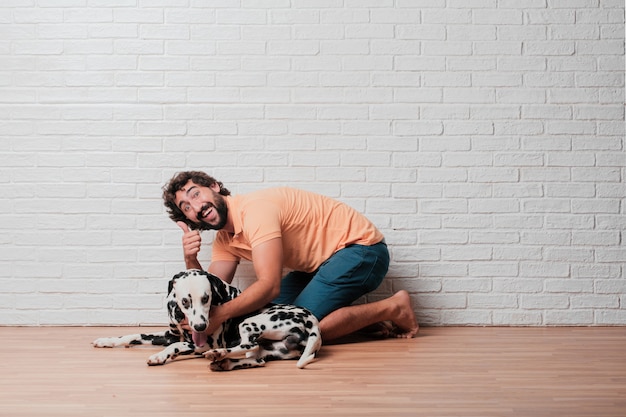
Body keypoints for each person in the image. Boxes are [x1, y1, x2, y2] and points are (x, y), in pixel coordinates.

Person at [162, 171, 418, 342]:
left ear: (214, 187)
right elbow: (213, 293)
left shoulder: (255, 210)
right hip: (319, 267)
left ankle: (394, 306)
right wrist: (190, 259)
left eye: (195, 194)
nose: (196, 206)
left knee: (293, 329)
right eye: (186, 207)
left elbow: (269, 286)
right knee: (259, 319)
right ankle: (360, 322)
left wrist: (219, 316)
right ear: (189, 219)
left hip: (361, 251)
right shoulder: (225, 239)